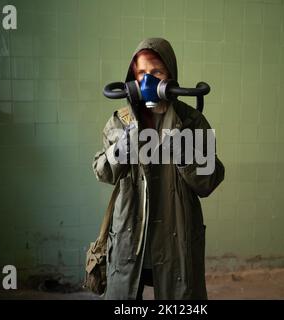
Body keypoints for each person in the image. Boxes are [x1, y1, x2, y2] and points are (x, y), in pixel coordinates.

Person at [93, 38, 225, 300]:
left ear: (171, 76)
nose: (148, 81)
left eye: (157, 72)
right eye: (141, 73)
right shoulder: (121, 120)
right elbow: (102, 172)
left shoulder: (192, 121)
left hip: (177, 238)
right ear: (131, 77)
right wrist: (124, 145)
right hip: (132, 237)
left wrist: (184, 152)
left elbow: (209, 180)